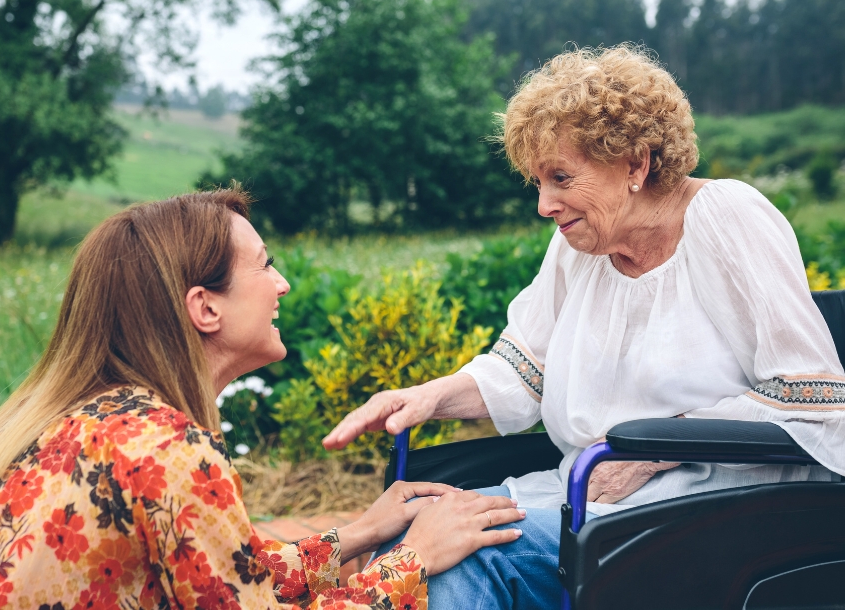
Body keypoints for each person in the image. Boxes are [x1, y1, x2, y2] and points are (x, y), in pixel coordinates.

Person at [323, 45, 845, 609]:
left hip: (711, 504)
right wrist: (424, 397)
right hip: (587, 491)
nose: (545, 204)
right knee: (411, 540)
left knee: (465, 554)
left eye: (561, 178)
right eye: (537, 182)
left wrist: (646, 453)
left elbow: (815, 398)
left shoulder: (726, 216)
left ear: (636, 164)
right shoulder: (581, 242)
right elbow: (522, 370)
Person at [0, 189, 525, 610]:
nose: (281, 284)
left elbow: (224, 579)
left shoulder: (75, 418)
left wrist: (358, 534)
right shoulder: (167, 451)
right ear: (204, 307)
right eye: (264, 265)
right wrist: (413, 560)